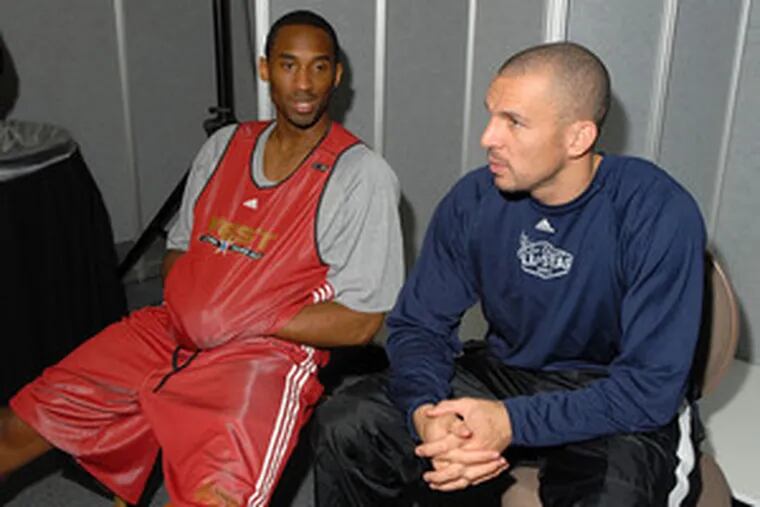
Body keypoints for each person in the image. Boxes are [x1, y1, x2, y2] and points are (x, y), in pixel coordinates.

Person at [0, 10, 403, 507]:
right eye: (288, 65)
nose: (304, 84)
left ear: (337, 75)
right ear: (265, 69)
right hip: (167, 329)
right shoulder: (224, 145)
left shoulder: (361, 176)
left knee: (215, 498)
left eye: (319, 67)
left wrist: (240, 317)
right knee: (17, 426)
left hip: (264, 356)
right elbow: (180, 246)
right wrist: (196, 307)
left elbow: (360, 322)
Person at [312, 41, 706, 506]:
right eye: (491, 115)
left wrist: (511, 422)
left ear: (577, 138)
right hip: (508, 373)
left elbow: (649, 390)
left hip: (610, 394)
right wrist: (426, 412)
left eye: (513, 122)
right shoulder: (474, 200)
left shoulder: (656, 212)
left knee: (614, 496)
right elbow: (419, 326)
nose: (488, 138)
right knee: (349, 424)